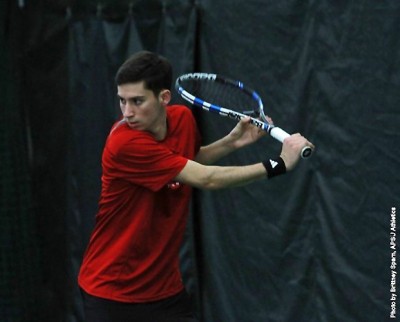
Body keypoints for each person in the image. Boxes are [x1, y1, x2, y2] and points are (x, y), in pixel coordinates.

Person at [78, 51, 314, 322]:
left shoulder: (182, 120)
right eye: (122, 101)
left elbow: (186, 163)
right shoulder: (124, 144)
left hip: (164, 291)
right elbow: (205, 178)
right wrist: (279, 164)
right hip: (112, 294)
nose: (127, 112)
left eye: (137, 101)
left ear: (164, 98)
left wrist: (232, 142)